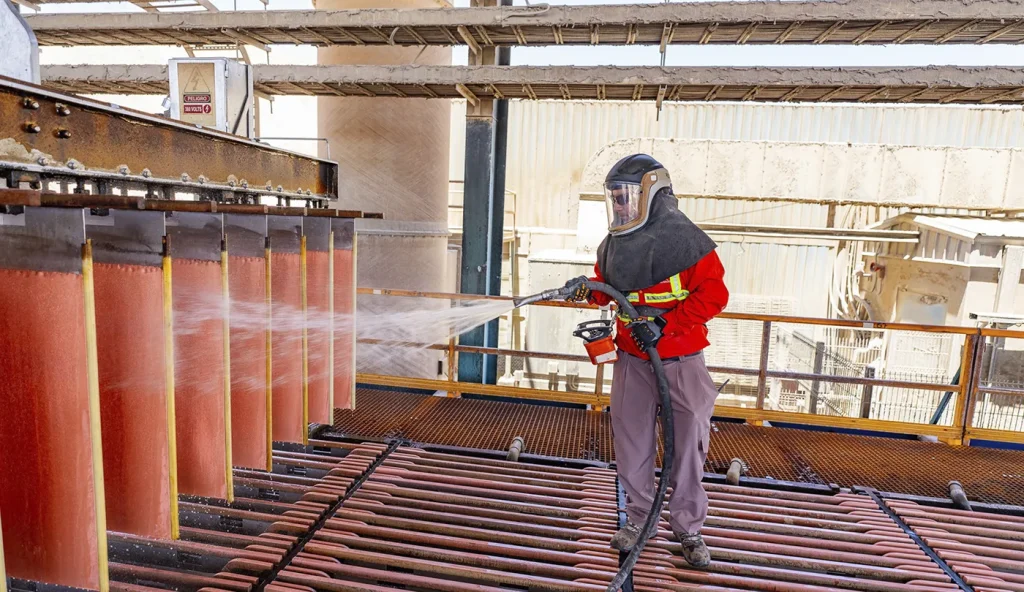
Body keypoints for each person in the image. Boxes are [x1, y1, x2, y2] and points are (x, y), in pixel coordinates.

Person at [566, 154, 728, 568]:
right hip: (632, 361)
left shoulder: (688, 244)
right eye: (616, 198)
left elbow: (714, 296)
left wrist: (665, 325)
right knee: (632, 442)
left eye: (627, 197)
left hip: (681, 361)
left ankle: (688, 528)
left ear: (652, 196)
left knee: (687, 447)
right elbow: (608, 288)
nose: (621, 206)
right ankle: (640, 521)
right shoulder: (613, 245)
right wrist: (586, 288)